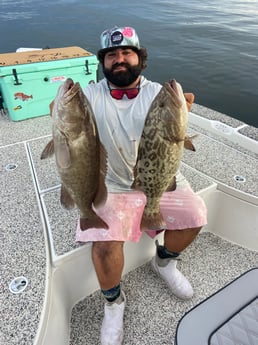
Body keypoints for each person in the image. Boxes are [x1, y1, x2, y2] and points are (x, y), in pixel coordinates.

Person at [76, 26, 207, 345]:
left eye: (126, 52)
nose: (119, 59)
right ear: (103, 63)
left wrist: (182, 108)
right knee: (105, 246)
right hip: (112, 185)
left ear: (139, 58)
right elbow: (64, 114)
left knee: (195, 216)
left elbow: (181, 112)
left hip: (159, 175)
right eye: (111, 55)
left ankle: (163, 262)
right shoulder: (92, 94)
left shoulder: (157, 93)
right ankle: (113, 303)